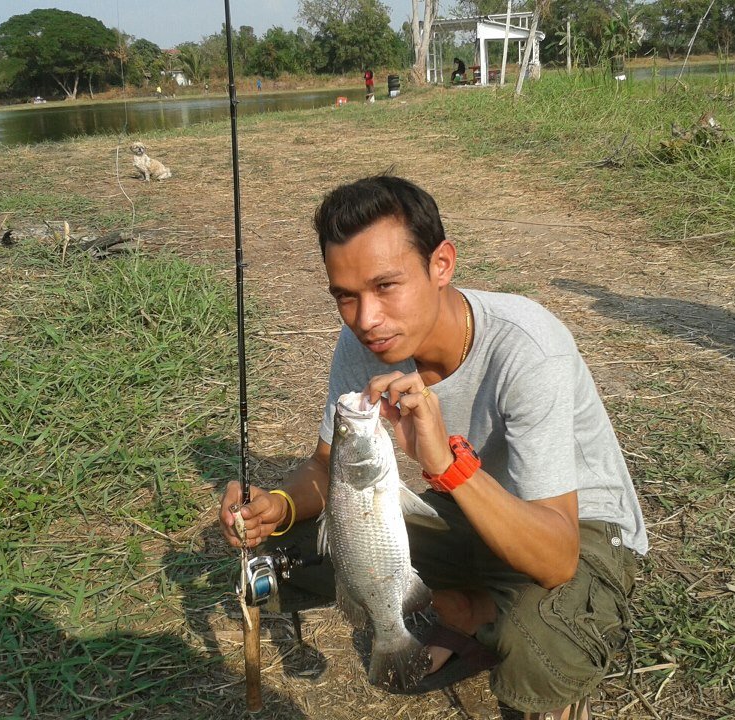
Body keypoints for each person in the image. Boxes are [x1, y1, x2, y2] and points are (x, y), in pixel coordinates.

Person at [218, 176, 647, 719]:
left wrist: (446, 463)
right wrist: (275, 505)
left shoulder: (529, 351)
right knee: (289, 551)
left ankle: (490, 616)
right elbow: (329, 468)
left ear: (441, 264)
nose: (365, 319)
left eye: (385, 286)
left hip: (576, 526)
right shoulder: (362, 343)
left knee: (542, 640)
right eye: (345, 296)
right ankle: (469, 609)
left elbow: (558, 558)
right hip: (466, 513)